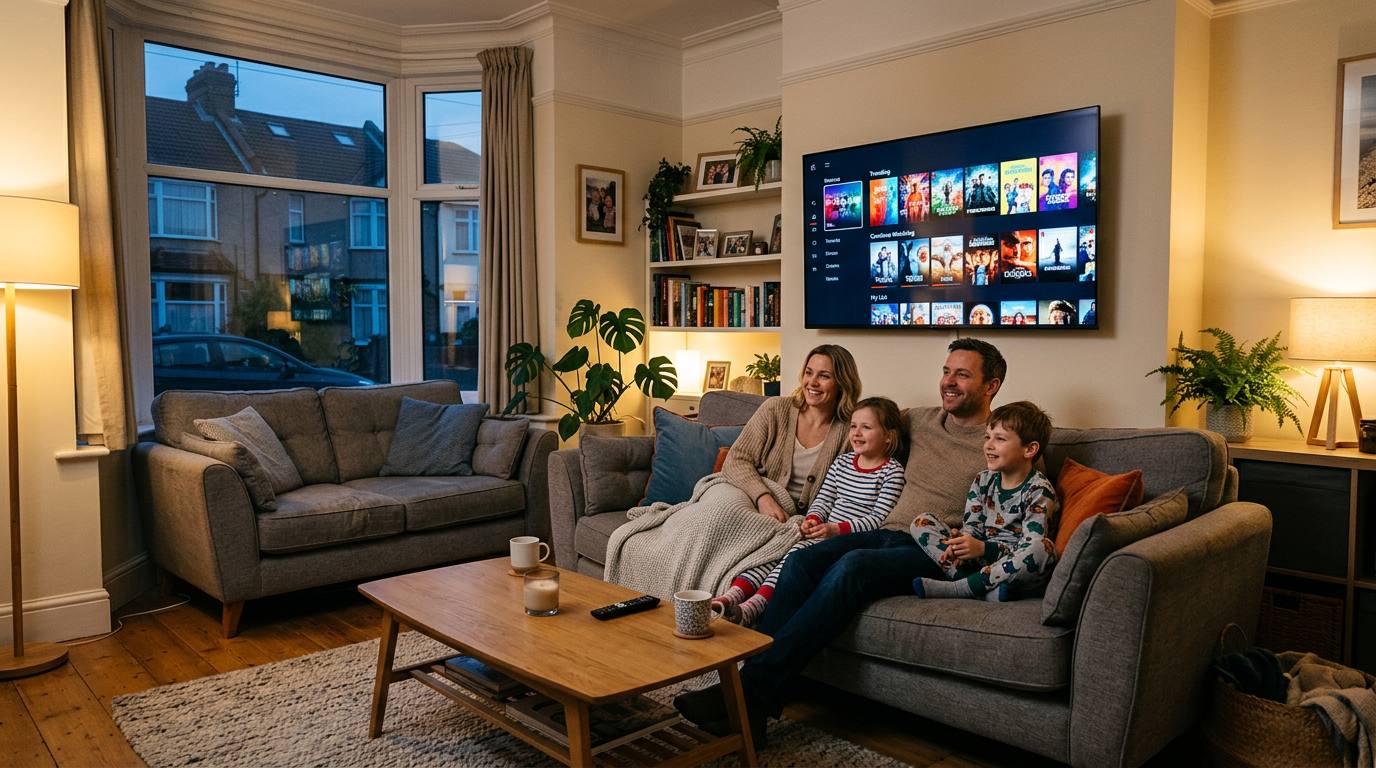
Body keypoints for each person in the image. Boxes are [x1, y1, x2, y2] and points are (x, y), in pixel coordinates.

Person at [675, 338, 1005, 746]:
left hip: (933, 549)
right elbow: (866, 425)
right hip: (883, 532)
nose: (948, 382)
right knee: (801, 560)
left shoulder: (1001, 438)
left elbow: (1019, 503)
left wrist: (977, 538)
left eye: (962, 375)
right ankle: (753, 708)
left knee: (851, 568)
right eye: (946, 371)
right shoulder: (920, 420)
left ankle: (746, 695)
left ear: (991, 386)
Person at [713, 397, 905, 627]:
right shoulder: (842, 463)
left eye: (866, 427)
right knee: (775, 549)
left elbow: (879, 519)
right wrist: (813, 519)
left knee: (795, 555)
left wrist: (836, 530)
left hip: (848, 539)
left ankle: (753, 607)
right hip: (823, 531)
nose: (856, 433)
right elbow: (823, 500)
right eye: (853, 426)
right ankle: (733, 595)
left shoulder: (892, 472)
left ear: (889, 436)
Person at [910, 400, 1058, 602]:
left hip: (1014, 567)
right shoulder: (983, 480)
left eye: (1000, 439)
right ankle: (975, 585)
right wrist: (962, 544)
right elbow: (973, 525)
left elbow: (1030, 544)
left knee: (1042, 549)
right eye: (987, 437)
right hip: (980, 559)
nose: (988, 445)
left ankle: (962, 588)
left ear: (1029, 449)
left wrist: (983, 549)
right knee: (921, 522)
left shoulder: (1039, 490)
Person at [720, 344, 862, 524]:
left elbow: (859, 485)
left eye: (824, 376)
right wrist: (764, 499)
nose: (812, 382)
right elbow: (736, 460)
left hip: (798, 520)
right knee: (719, 514)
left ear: (842, 383)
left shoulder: (853, 430)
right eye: (809, 373)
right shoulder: (775, 409)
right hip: (749, 495)